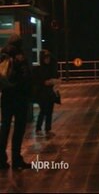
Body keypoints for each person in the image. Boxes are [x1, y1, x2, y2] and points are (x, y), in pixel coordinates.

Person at [0, 34, 33, 169]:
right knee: (19, 128)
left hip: (6, 97)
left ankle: (1, 160)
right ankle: (16, 159)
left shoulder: (2, 55)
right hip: (19, 98)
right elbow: (25, 78)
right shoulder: (20, 56)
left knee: (5, 127)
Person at [34, 49, 58, 137]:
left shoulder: (51, 68)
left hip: (50, 93)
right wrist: (44, 82)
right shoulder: (38, 69)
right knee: (43, 110)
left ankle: (48, 129)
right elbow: (37, 81)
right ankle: (38, 128)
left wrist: (54, 82)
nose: (47, 60)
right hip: (42, 93)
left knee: (50, 111)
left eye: (48, 58)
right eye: (46, 58)